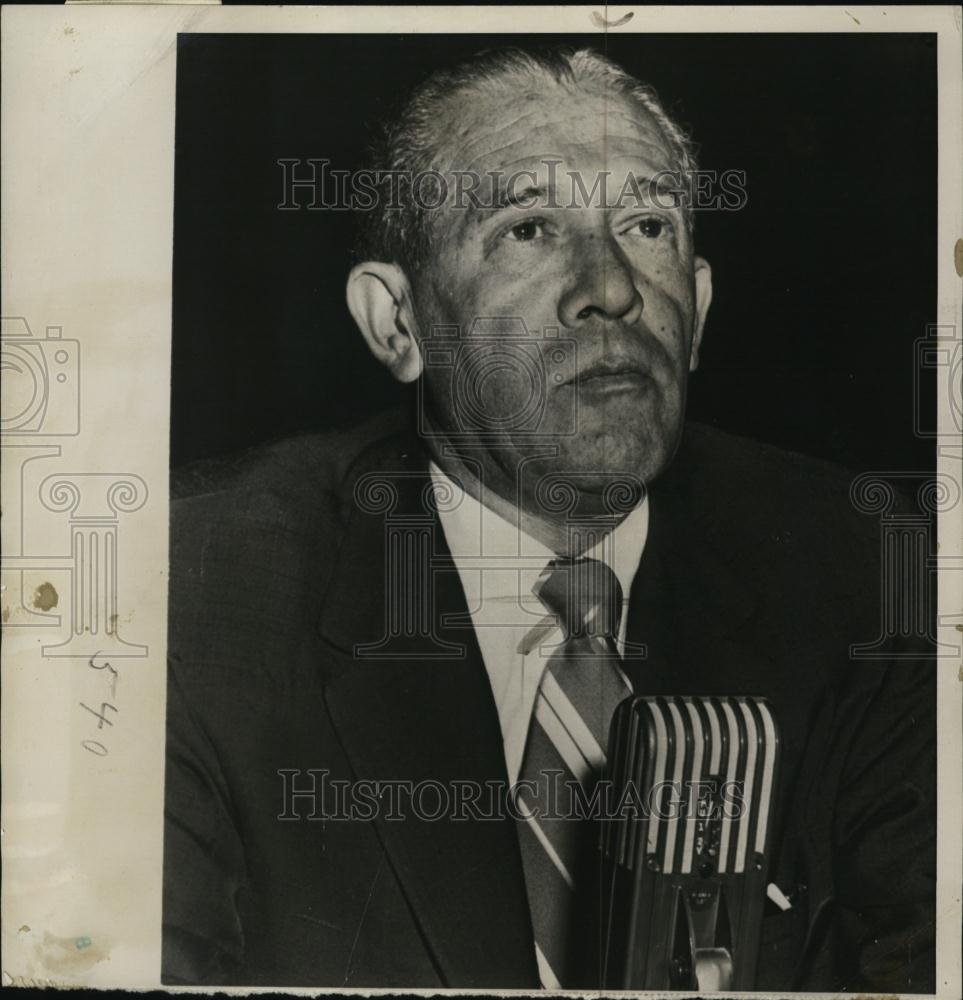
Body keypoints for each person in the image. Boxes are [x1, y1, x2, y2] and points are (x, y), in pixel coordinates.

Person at [162, 46, 935, 991]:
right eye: (528, 228)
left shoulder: (870, 573)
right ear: (397, 323)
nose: (611, 288)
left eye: (647, 224)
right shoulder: (193, 594)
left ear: (695, 304)